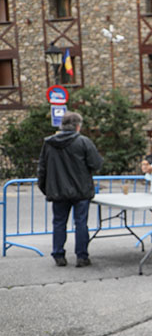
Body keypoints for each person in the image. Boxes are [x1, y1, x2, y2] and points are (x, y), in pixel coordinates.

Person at [37, 111, 103, 268]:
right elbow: (96, 164)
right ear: (78, 126)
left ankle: (58, 254)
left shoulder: (49, 143)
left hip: (58, 190)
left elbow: (42, 168)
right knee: (81, 223)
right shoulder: (84, 142)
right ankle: (82, 256)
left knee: (59, 223)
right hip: (81, 190)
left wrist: (46, 188)